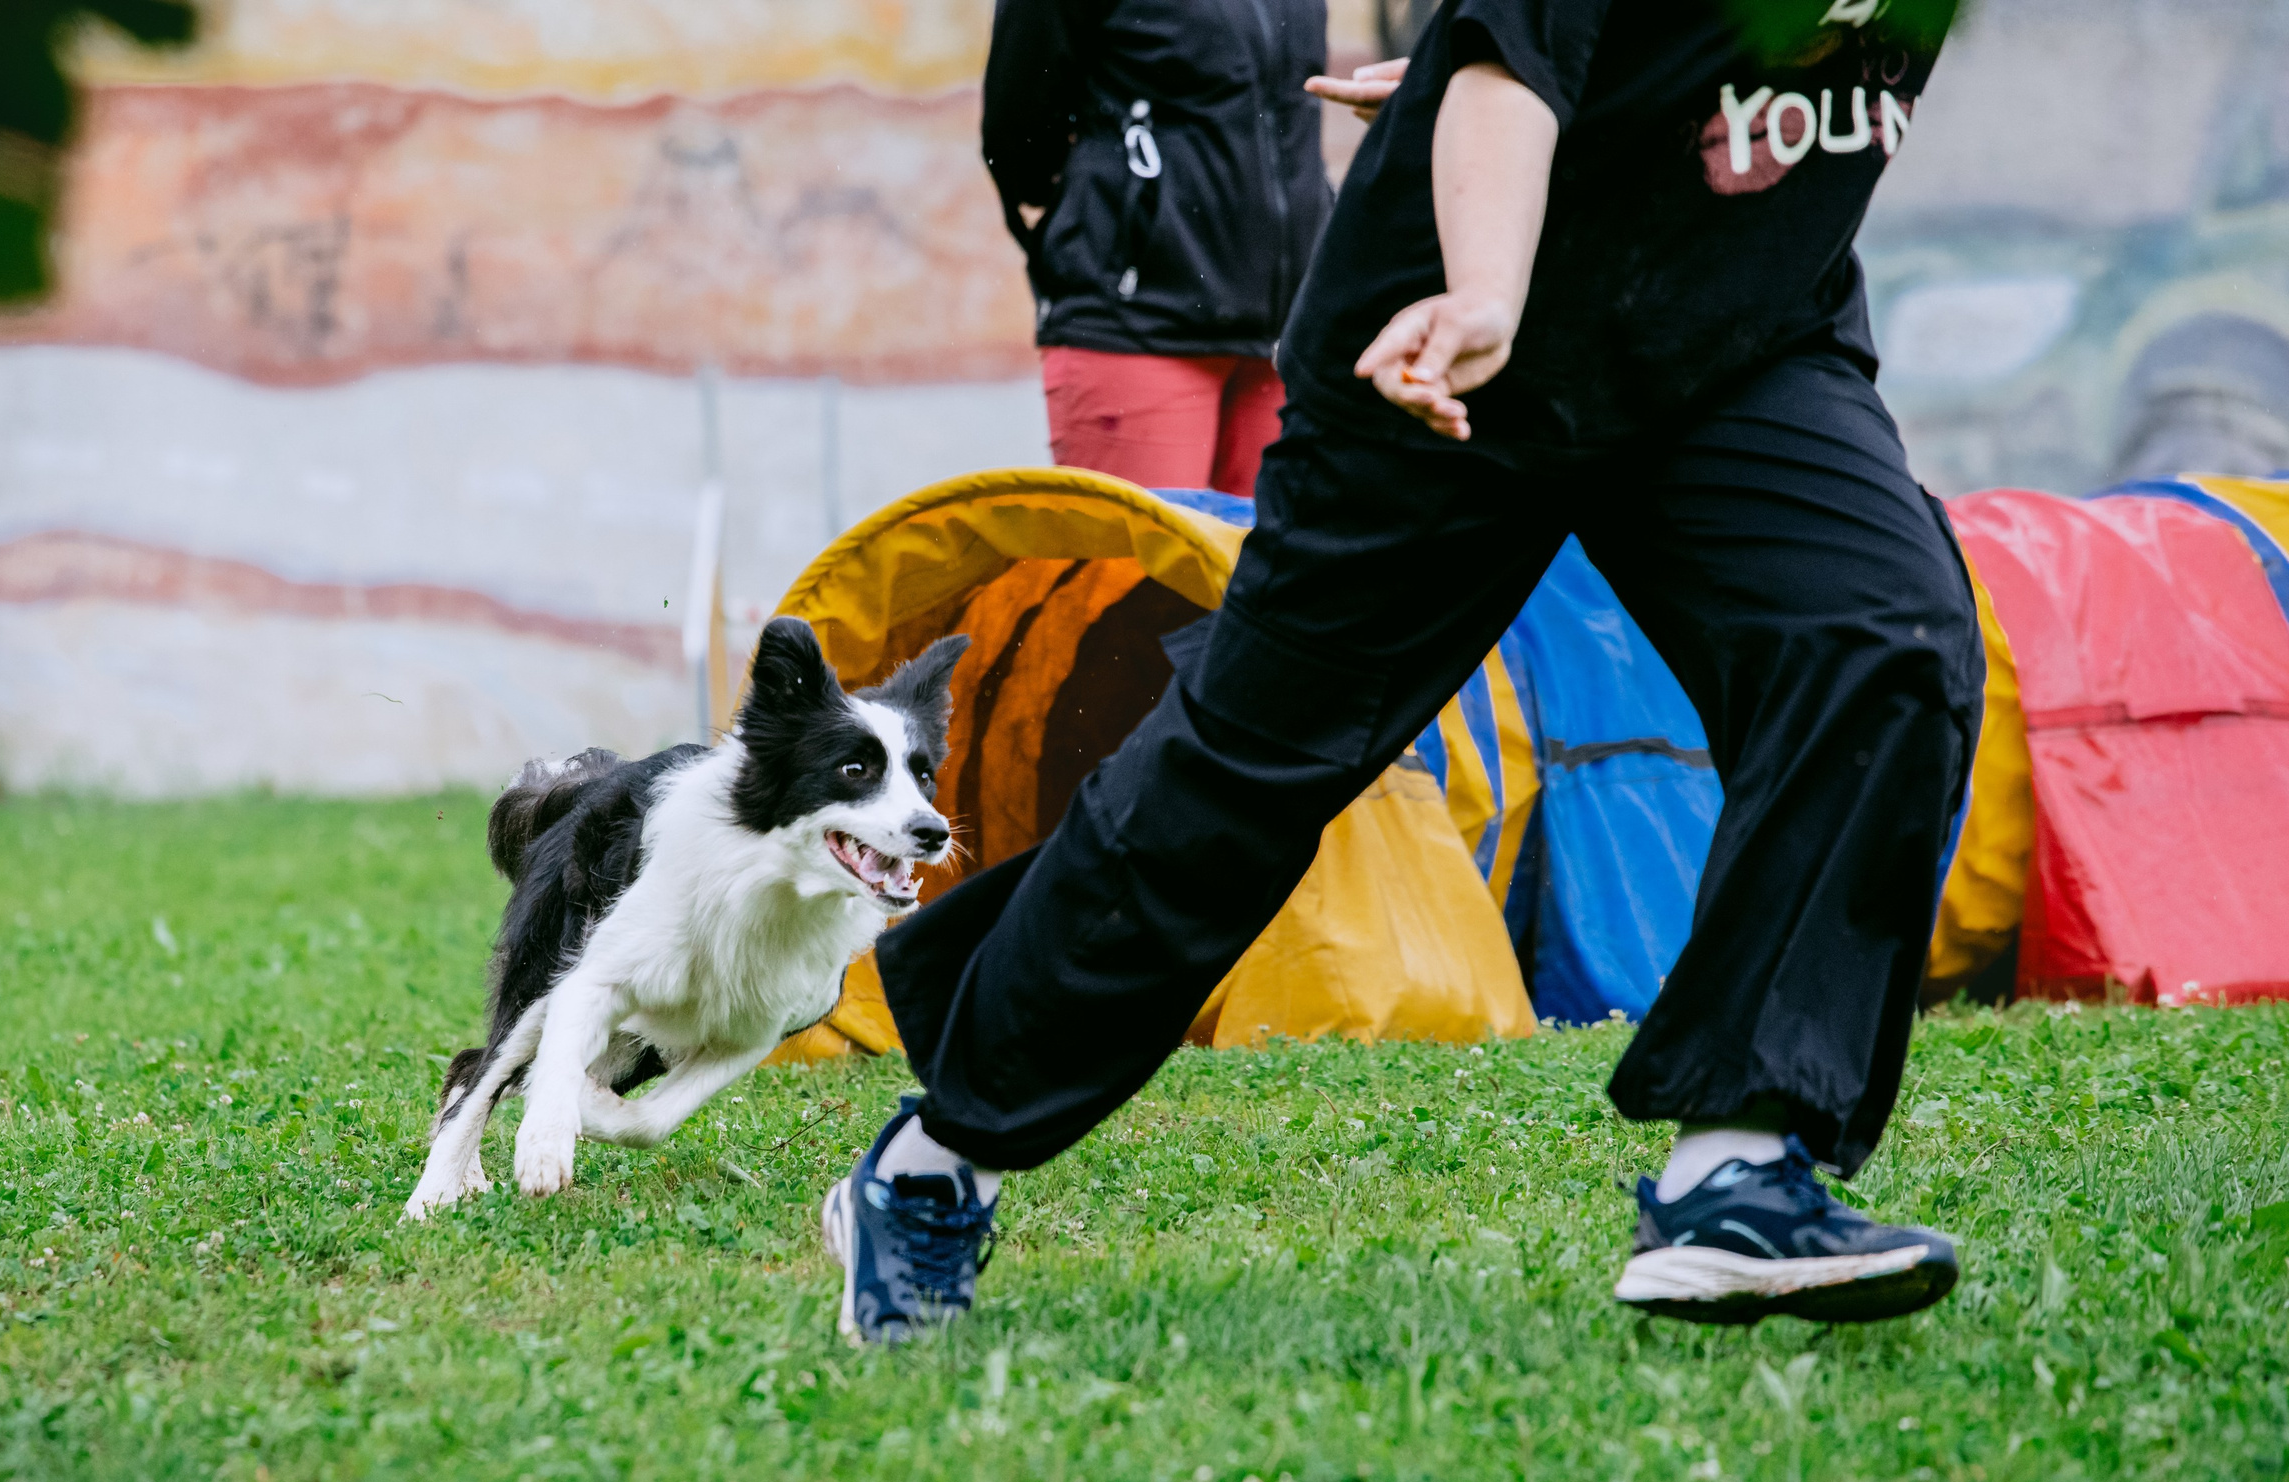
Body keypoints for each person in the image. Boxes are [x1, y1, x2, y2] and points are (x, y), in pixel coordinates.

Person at [822, 0, 1980, 1341]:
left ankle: (1737, 1163)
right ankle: (935, 1159)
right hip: (1446, 354)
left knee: (1886, 637)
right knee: (1247, 775)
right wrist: (1485, 261)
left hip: (1730, 338)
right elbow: (1509, 54)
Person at [980, 0, 1332, 497]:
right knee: (1140, 574)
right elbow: (1019, 133)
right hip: (1138, 322)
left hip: (1284, 334)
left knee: (1270, 570)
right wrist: (1131, 215)